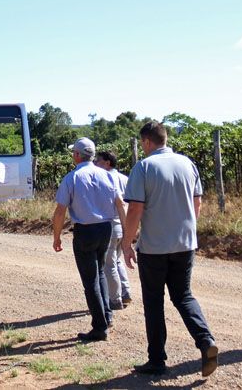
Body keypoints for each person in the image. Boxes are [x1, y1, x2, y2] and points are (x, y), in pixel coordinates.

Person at [121, 121, 218, 378]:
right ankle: (206, 341)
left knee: (154, 302)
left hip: (154, 247)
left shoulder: (144, 167)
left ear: (146, 142)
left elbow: (135, 210)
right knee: (183, 296)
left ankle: (157, 360)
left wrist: (127, 243)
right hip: (185, 243)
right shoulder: (188, 164)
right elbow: (197, 203)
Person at [52, 137, 124, 342]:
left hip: (85, 230)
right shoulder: (108, 176)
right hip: (106, 228)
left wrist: (56, 237)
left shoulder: (72, 178)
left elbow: (60, 211)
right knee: (100, 272)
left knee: (90, 280)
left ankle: (99, 327)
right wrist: (128, 233)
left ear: (76, 155)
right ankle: (106, 315)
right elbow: (120, 204)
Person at [93, 150, 131, 311]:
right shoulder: (125, 179)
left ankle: (115, 300)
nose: (95, 163)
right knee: (116, 260)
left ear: (107, 162)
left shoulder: (105, 179)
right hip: (123, 226)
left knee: (109, 265)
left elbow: (119, 203)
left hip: (110, 225)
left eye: (98, 160)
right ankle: (125, 292)